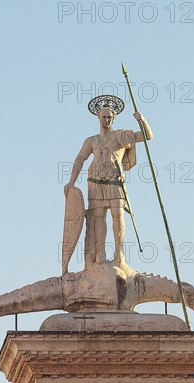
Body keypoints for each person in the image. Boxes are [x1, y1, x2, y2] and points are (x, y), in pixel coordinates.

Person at [64, 100, 153, 265]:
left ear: (113, 118)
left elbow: (147, 136)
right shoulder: (91, 140)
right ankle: (100, 254)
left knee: (118, 215)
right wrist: (71, 182)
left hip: (114, 180)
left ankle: (119, 254)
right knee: (98, 218)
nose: (106, 120)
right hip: (95, 181)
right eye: (103, 117)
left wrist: (142, 120)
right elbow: (80, 159)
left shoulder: (121, 136)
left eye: (109, 117)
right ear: (98, 117)